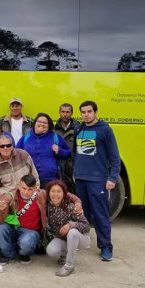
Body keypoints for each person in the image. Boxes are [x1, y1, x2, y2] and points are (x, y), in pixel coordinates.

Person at [73, 100, 120, 261]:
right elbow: (76, 153)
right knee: (81, 213)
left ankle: (106, 246)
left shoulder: (105, 130)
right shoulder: (78, 128)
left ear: (95, 112)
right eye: (83, 112)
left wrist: (112, 177)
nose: (86, 115)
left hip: (97, 179)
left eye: (89, 112)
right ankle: (80, 242)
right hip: (80, 179)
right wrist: (75, 172)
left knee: (100, 214)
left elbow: (114, 156)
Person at [0, 174, 46, 265]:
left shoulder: (41, 194)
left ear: (35, 188)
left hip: (31, 232)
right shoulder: (11, 196)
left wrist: (77, 201)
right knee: (0, 228)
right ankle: (8, 255)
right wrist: (1, 210)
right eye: (24, 188)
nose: (26, 192)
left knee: (26, 243)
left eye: (30, 189)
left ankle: (24, 254)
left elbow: (62, 192)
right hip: (14, 228)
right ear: (19, 186)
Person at [46, 180, 90, 277]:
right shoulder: (48, 206)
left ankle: (69, 266)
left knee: (72, 232)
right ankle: (65, 255)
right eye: (53, 191)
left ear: (64, 193)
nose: (55, 194)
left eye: (59, 191)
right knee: (51, 251)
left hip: (81, 239)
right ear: (48, 193)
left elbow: (87, 226)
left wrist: (70, 225)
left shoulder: (71, 207)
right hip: (62, 238)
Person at [16, 113, 71, 189]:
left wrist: (60, 151)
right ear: (35, 123)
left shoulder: (55, 137)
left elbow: (68, 152)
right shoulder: (26, 137)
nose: (42, 124)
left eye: (45, 123)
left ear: (49, 125)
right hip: (29, 179)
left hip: (50, 179)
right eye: (39, 121)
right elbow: (16, 154)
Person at [0, 134, 39, 207]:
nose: (5, 148)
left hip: (28, 193)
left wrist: (36, 190)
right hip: (9, 200)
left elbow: (34, 174)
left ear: (12, 146)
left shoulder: (23, 154)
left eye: (8, 145)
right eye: (2, 146)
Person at [54, 103, 79, 178]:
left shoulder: (78, 128)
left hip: (73, 165)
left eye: (67, 112)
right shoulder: (54, 129)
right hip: (59, 166)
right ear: (59, 112)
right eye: (63, 112)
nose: (65, 114)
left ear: (72, 113)